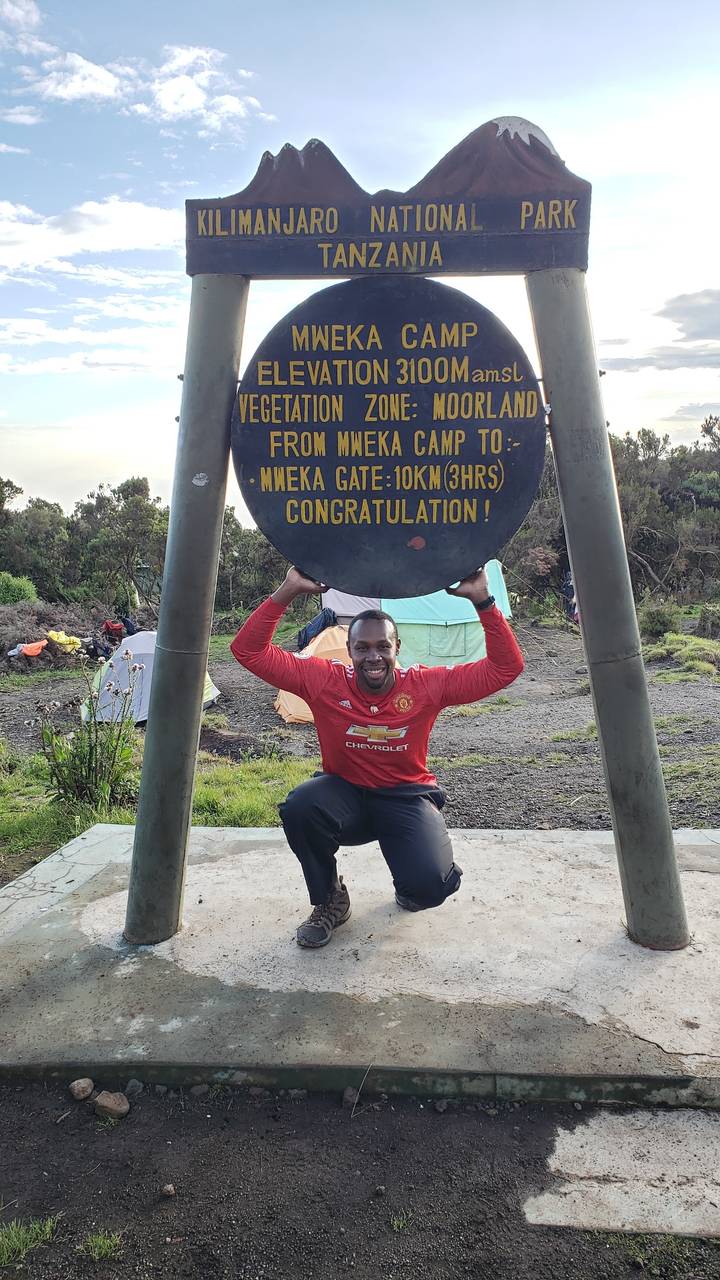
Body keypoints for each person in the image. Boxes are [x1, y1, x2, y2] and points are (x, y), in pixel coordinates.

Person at [231, 565, 524, 949]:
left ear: (396, 649)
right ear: (349, 650)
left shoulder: (426, 686)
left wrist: (483, 601)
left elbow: (506, 668)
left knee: (429, 889)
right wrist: (287, 590)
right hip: (346, 796)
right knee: (300, 807)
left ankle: (412, 882)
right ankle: (330, 899)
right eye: (362, 648)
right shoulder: (324, 680)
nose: (373, 657)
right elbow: (247, 651)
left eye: (382, 646)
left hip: (404, 796)